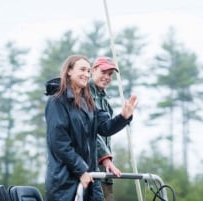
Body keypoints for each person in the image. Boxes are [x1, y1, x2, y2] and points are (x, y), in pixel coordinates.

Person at [44, 54, 138, 201]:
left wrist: (124, 117)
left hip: (91, 179)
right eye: (82, 69)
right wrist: (81, 170)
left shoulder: (89, 103)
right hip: (65, 182)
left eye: (88, 71)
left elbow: (106, 128)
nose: (86, 74)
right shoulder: (56, 102)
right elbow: (59, 143)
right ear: (69, 71)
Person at [90, 56, 121, 201]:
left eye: (110, 74)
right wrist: (105, 158)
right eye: (103, 72)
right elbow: (89, 132)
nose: (107, 77)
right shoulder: (83, 95)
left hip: (104, 172)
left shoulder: (106, 103)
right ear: (93, 70)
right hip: (88, 171)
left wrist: (125, 117)